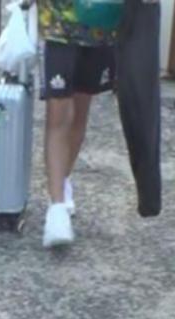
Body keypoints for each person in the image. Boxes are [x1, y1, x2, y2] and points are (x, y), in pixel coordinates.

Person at [37, 0, 118, 248]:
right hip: (58, 23)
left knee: (80, 112)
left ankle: (62, 182)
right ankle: (56, 207)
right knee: (59, 113)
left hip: (101, 24)